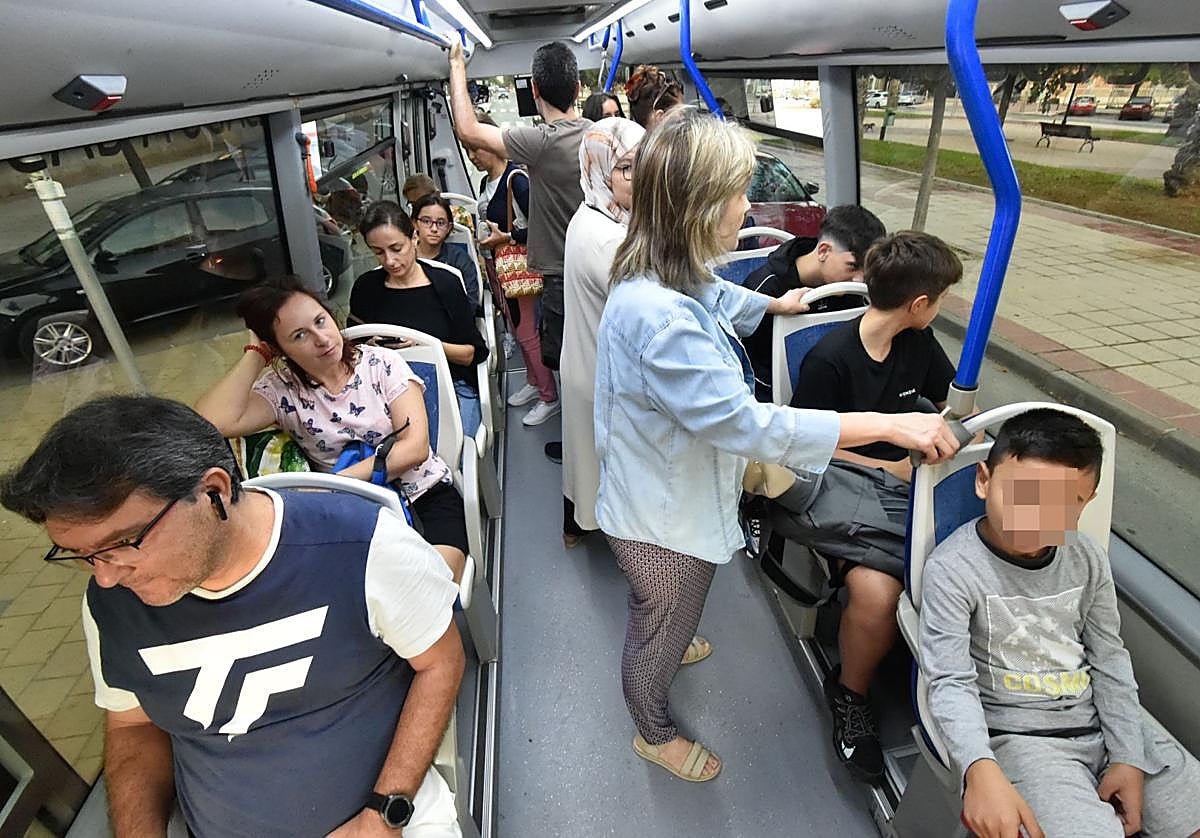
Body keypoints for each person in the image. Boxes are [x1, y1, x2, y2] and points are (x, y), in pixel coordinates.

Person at [594, 106, 961, 783]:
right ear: (700, 206)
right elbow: (750, 426)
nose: (746, 205)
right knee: (659, 621)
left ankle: (669, 630)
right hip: (662, 517)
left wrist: (776, 305)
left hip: (657, 485)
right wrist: (885, 425)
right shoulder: (660, 317)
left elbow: (712, 293)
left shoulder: (658, 266)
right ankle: (653, 727)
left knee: (665, 609)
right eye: (736, 192)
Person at [0, 395, 464, 837]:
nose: (105, 577)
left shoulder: (361, 547)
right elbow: (133, 724)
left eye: (123, 543)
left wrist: (385, 813)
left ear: (214, 491)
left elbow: (441, 661)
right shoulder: (110, 603)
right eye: (81, 555)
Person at [918, 408, 1200, 838]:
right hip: (1022, 739)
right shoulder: (954, 569)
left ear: (1086, 502)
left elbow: (1108, 656)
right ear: (983, 481)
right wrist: (979, 766)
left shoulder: (1085, 558)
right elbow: (950, 680)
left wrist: (1127, 755)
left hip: (1103, 719)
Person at [744, 230, 962, 783]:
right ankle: (852, 693)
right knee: (877, 589)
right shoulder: (830, 360)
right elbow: (811, 450)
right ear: (919, 304)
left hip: (911, 480)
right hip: (852, 489)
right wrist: (893, 468)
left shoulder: (918, 343)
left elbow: (947, 402)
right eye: (938, 299)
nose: (937, 309)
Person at [197, 275, 470, 584]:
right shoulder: (282, 391)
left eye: (321, 321)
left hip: (421, 494)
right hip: (346, 514)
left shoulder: (382, 364)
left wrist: (327, 485)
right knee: (358, 605)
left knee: (432, 584)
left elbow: (414, 448)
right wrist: (255, 355)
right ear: (278, 348)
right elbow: (210, 422)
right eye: (300, 335)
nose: (323, 339)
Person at [448, 39, 591, 462]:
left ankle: (582, 448)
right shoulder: (599, 135)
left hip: (563, 275)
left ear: (534, 90)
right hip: (599, 265)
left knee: (571, 366)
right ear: (579, 88)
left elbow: (469, 130)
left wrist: (457, 65)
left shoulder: (541, 142)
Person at [560, 117, 645, 546]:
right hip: (600, 374)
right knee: (602, 467)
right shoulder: (608, 239)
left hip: (586, 360)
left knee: (583, 460)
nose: (640, 177)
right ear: (598, 168)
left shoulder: (598, 212)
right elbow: (646, 313)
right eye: (627, 168)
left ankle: (575, 525)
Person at [351, 202, 489, 439]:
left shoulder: (446, 284)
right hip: (382, 392)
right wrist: (370, 349)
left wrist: (423, 346)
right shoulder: (366, 288)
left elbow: (472, 353)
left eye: (397, 248)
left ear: (414, 237)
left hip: (449, 384)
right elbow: (350, 351)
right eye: (378, 252)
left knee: (453, 450)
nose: (390, 261)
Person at [466, 113, 560, 427]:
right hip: (498, 266)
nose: (472, 157)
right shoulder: (486, 182)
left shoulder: (516, 179)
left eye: (475, 148)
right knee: (514, 327)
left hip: (520, 264)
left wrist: (506, 236)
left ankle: (549, 395)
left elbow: (539, 226)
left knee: (527, 332)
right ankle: (535, 382)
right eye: (468, 150)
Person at [742, 204, 888, 402]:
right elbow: (743, 361)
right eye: (852, 266)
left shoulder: (852, 291)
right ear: (823, 251)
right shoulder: (766, 290)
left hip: (834, 385)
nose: (859, 280)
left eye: (866, 270)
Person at [411, 192, 482, 312]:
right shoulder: (406, 259)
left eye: (440, 223)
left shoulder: (459, 259)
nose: (434, 229)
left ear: (449, 228)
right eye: (426, 221)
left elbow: (470, 302)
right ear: (415, 223)